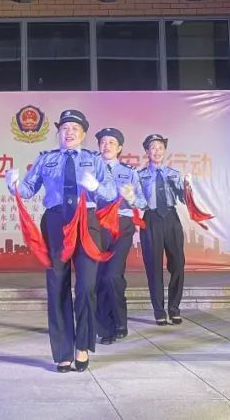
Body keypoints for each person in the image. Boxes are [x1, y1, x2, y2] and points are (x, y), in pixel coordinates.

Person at [6, 109, 117, 372]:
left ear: (84, 134)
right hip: (56, 222)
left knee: (86, 287)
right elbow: (29, 189)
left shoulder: (94, 160)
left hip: (86, 222)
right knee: (57, 287)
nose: (69, 133)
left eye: (75, 129)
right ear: (58, 133)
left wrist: (96, 187)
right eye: (64, 128)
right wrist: (14, 186)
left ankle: (82, 346)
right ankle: (63, 351)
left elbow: (111, 192)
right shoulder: (46, 159)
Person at [92, 128, 146, 345]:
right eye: (103, 142)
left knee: (113, 276)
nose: (106, 146)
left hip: (121, 226)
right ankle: (104, 327)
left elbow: (142, 203)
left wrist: (131, 197)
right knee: (98, 277)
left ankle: (120, 321)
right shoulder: (90, 169)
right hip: (95, 225)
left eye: (111, 142)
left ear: (120, 148)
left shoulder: (129, 172)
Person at [137, 134, 186, 326]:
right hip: (151, 218)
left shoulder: (174, 174)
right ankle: (159, 311)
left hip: (171, 218)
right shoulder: (140, 176)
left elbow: (183, 198)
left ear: (164, 151)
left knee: (178, 264)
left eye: (160, 147)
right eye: (152, 148)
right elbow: (138, 201)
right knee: (153, 266)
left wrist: (187, 186)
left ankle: (174, 308)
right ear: (147, 152)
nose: (156, 151)